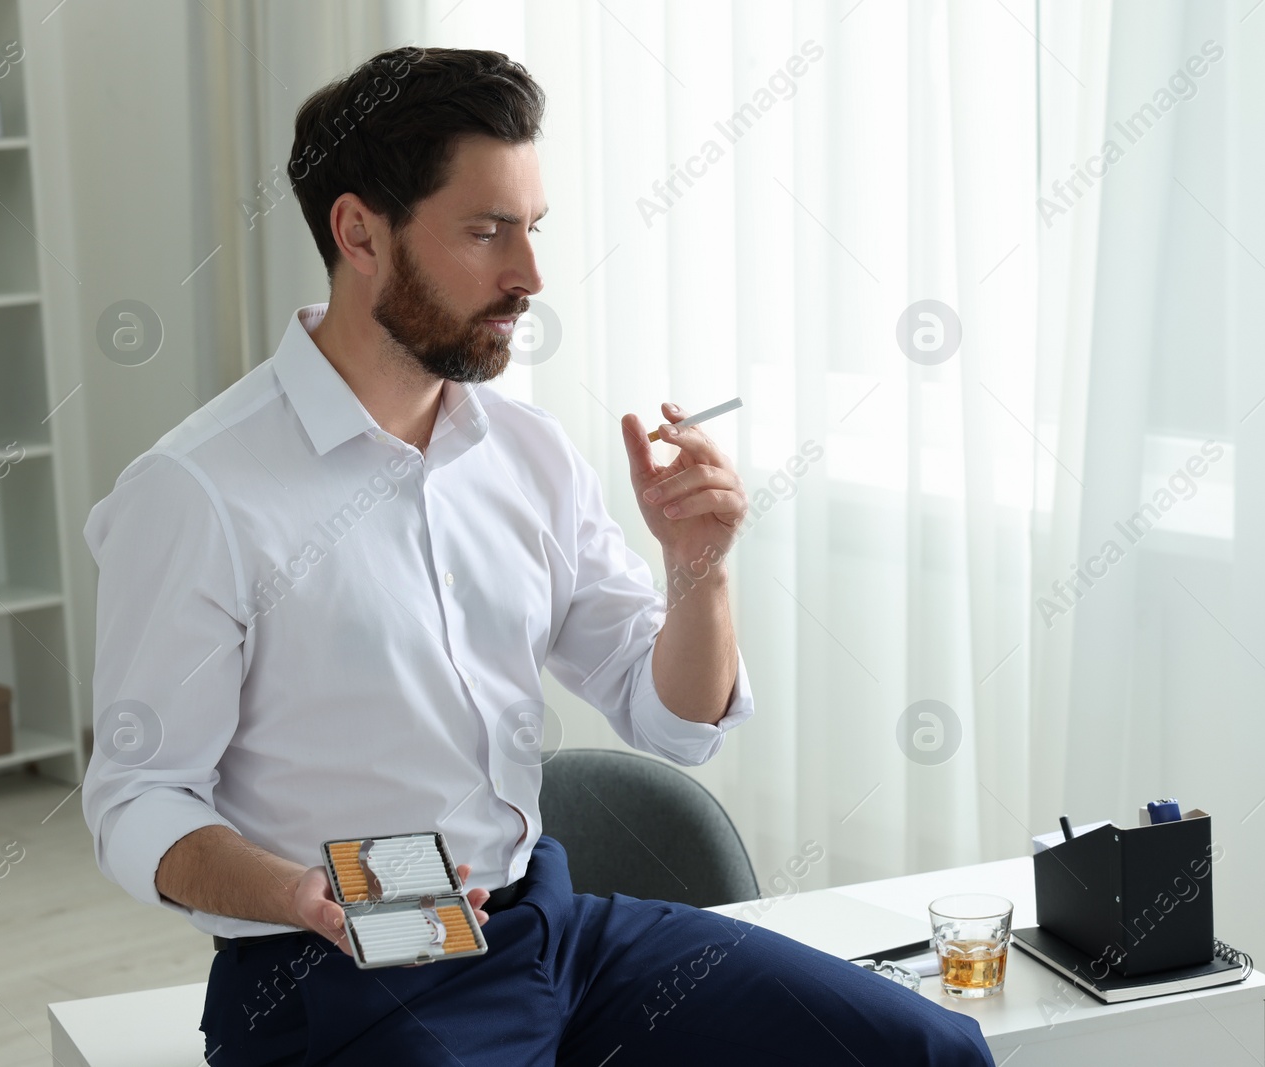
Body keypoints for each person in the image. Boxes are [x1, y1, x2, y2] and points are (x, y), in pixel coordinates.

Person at [81, 45, 994, 1065]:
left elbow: (672, 718)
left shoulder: (526, 452)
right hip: (337, 971)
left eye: (532, 228)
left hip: (547, 928)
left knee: (928, 1048)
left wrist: (700, 565)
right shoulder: (198, 490)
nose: (530, 276)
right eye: (486, 232)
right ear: (358, 232)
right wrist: (298, 891)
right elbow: (136, 795)